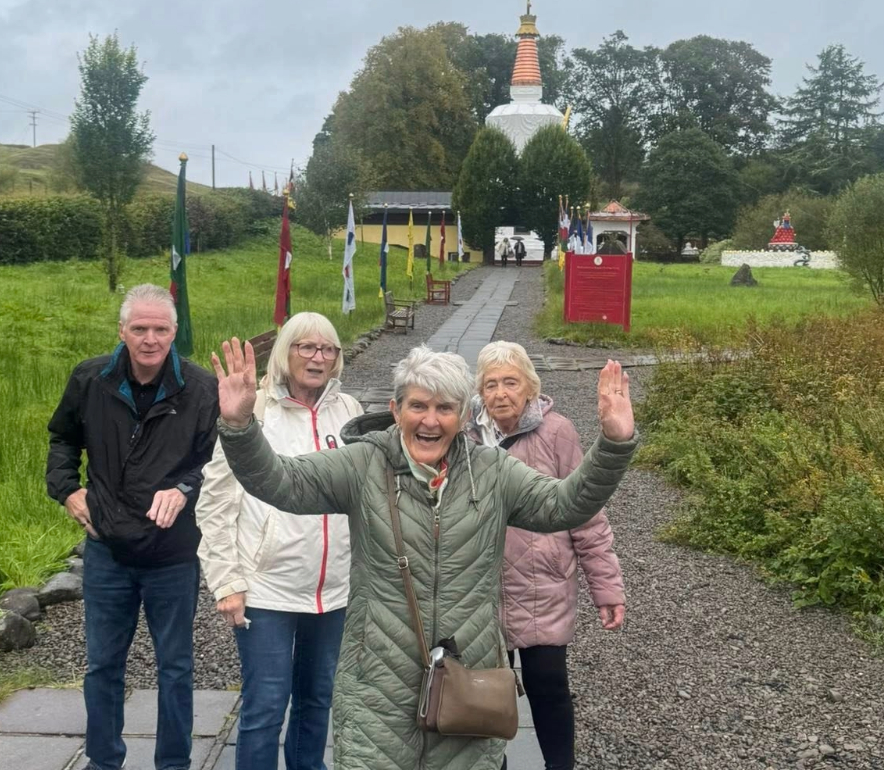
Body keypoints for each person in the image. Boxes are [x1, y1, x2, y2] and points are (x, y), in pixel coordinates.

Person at [208, 340, 638, 770]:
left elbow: (566, 504)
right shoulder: (361, 465)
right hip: (377, 686)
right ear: (396, 410)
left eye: (445, 408)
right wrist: (240, 425)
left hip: (467, 682)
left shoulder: (492, 472)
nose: (430, 421)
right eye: (418, 406)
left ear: (464, 416)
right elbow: (282, 483)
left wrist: (614, 444)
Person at [46, 283, 219, 770]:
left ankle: (174, 763)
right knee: (103, 666)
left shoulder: (201, 389)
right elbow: (62, 438)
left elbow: (217, 463)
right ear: (121, 331)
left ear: (174, 331)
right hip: (107, 550)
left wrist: (184, 489)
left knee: (177, 669)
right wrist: (67, 489)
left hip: (173, 554)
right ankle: (103, 761)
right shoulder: (91, 378)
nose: (149, 338)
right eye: (139, 328)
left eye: (160, 328)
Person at [197, 313, 361, 770]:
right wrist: (226, 581)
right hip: (268, 589)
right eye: (306, 347)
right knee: (266, 705)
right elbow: (214, 504)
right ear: (286, 352)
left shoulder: (348, 412)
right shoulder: (256, 412)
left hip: (332, 593)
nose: (318, 357)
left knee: (317, 700)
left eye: (328, 349)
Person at [466, 342, 625, 770]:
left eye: (510, 382)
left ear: (530, 387)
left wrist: (606, 587)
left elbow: (587, 513)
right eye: (491, 384)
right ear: (479, 391)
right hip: (477, 591)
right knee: (482, 698)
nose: (500, 393)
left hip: (541, 584)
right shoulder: (464, 436)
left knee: (549, 688)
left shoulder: (557, 432)